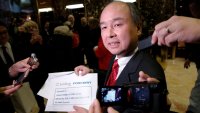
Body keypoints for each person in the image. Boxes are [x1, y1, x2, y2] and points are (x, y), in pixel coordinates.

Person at [72, 1, 168, 113]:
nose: (109, 34)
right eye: (104, 27)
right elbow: (116, 79)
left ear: (138, 28)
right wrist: (92, 72)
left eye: (117, 25)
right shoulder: (116, 57)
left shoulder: (150, 76)